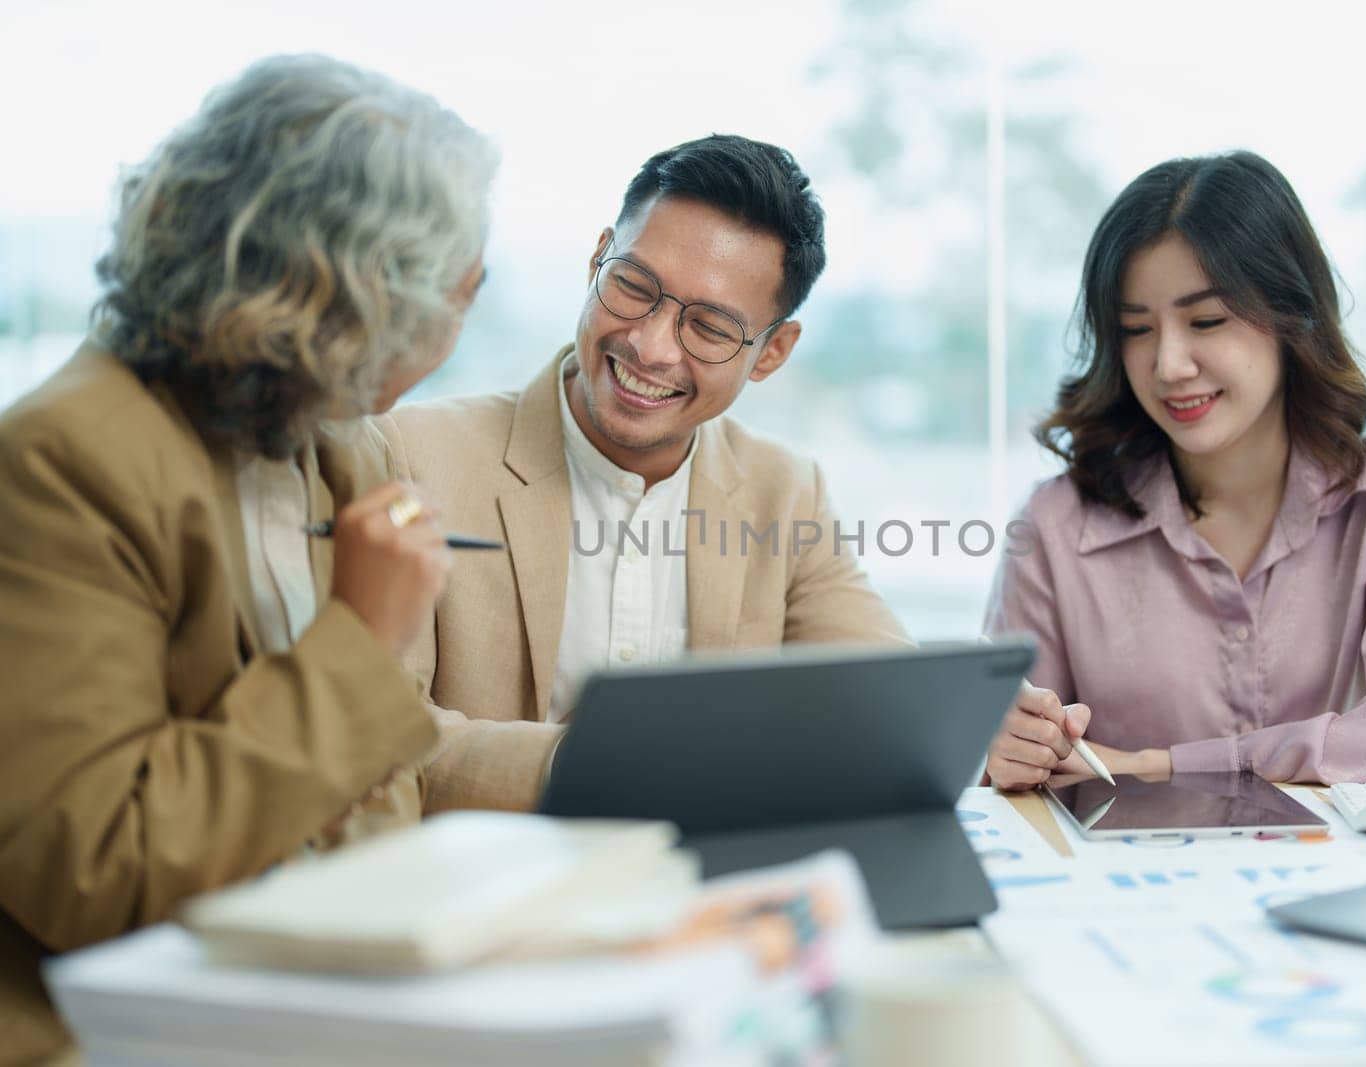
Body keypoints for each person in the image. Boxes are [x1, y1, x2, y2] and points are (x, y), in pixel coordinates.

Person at [0, 55, 496, 1062]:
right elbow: (95, 866)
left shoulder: (335, 438)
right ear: (347, 298)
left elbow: (366, 795)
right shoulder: (66, 458)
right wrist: (362, 636)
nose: (457, 322)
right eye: (452, 292)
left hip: (315, 1005)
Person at [377, 134, 908, 814]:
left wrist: (994, 726)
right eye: (633, 286)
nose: (650, 346)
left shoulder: (785, 489)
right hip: (482, 898)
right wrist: (608, 762)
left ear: (771, 352)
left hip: (704, 901)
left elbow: (883, 698)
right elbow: (376, 737)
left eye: (710, 328)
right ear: (599, 257)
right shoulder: (411, 455)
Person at [984, 150, 1366, 790]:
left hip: (1337, 888)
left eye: (1206, 321)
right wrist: (1005, 753)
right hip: (1125, 888)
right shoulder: (1056, 523)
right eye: (1136, 329)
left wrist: (1160, 765)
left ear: (1289, 314)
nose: (1168, 365)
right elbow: (1015, 785)